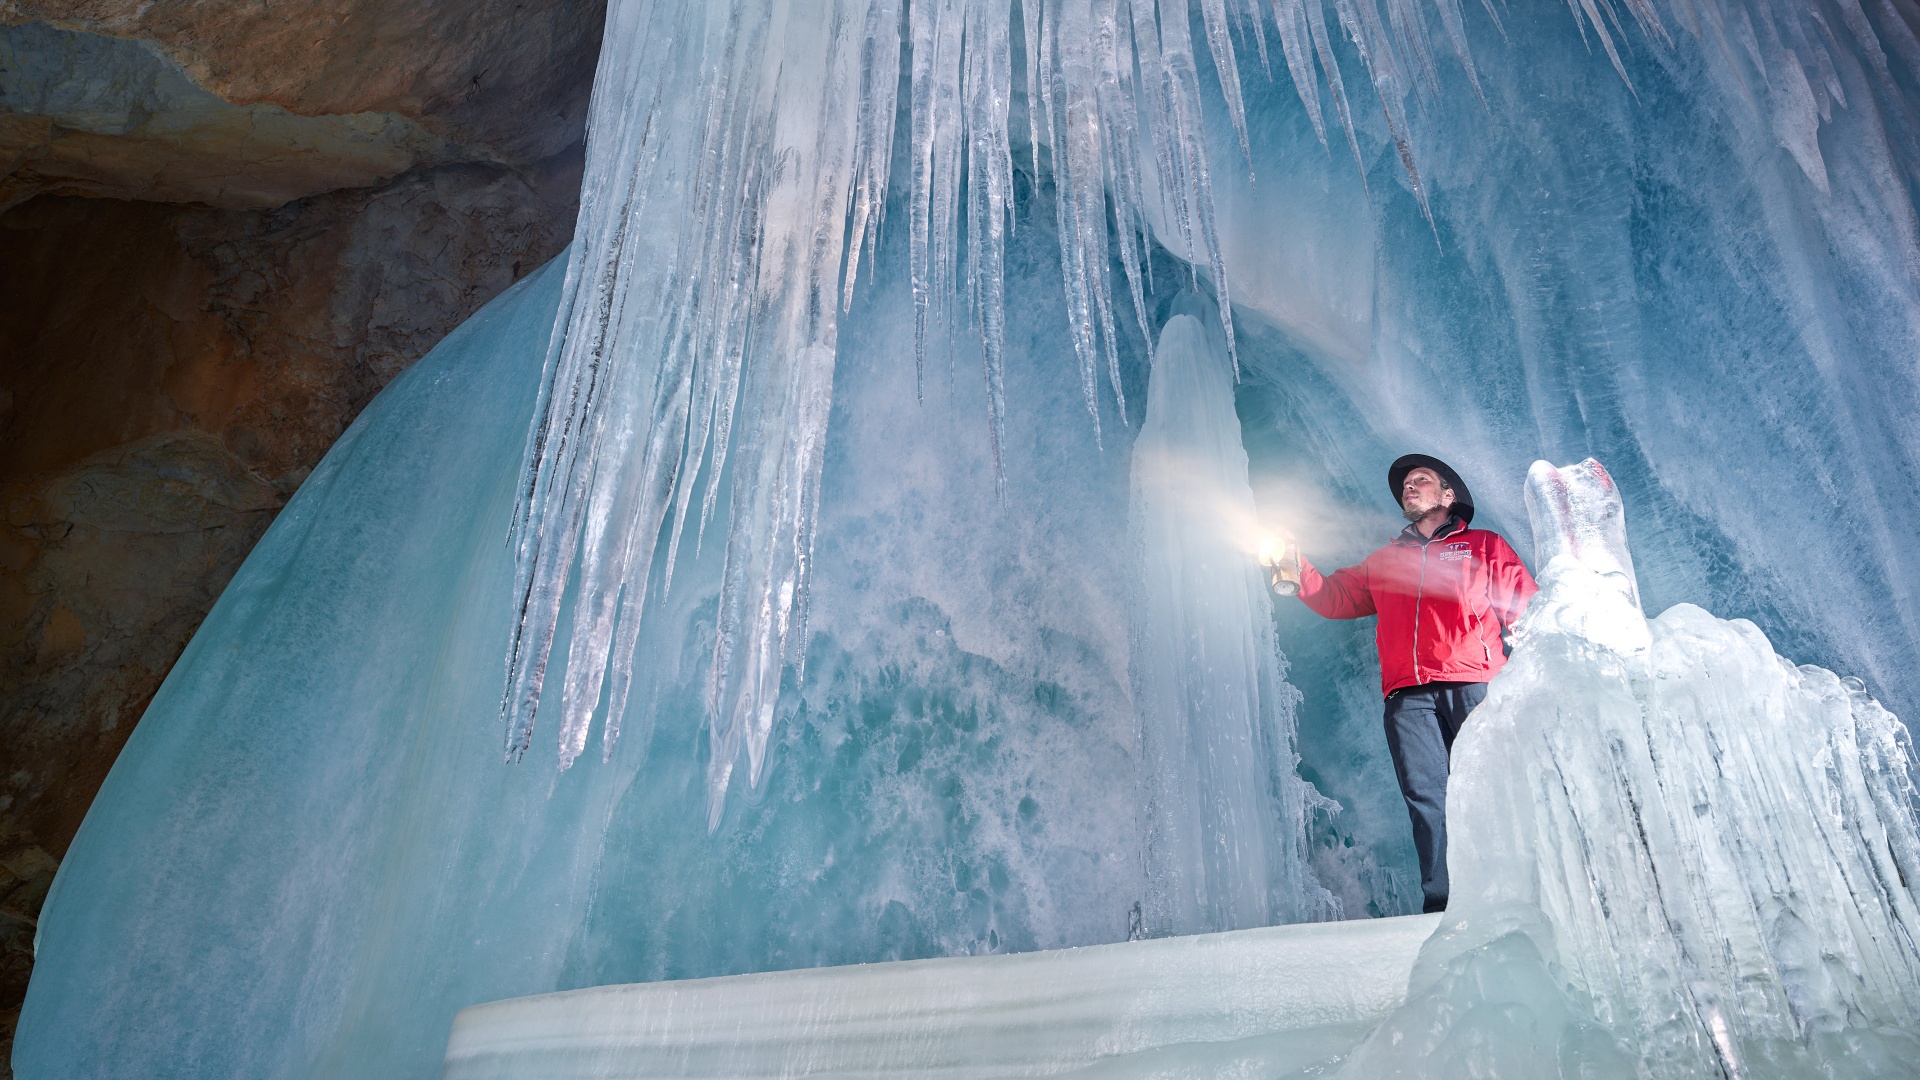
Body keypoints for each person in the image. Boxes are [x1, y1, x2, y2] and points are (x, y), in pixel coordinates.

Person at [1289, 454, 1537, 913]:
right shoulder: (1385, 561)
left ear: (1448, 497)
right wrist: (1294, 565)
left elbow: (1526, 608)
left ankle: (1516, 895)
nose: (1409, 486)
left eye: (1421, 480)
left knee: (1494, 788)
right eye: (1405, 484)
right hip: (1407, 698)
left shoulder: (1484, 546)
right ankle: (1444, 904)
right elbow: (1334, 597)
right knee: (1427, 801)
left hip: (1475, 686)